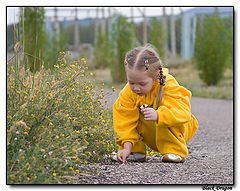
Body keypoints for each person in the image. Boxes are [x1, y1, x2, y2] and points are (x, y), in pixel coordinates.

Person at [112, 44, 198, 163]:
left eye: (142, 84)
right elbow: (124, 119)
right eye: (131, 83)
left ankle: (173, 151)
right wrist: (126, 146)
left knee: (167, 116)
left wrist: (159, 115)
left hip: (177, 132)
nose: (136, 88)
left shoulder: (168, 84)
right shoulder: (128, 92)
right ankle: (135, 151)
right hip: (150, 133)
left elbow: (183, 113)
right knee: (132, 116)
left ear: (156, 76)